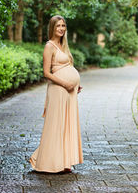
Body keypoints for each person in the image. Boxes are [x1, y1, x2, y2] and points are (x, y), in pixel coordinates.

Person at [29, 15, 83, 173]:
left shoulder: (63, 45)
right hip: (58, 90)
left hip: (69, 91)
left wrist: (75, 84)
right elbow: (46, 73)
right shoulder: (49, 46)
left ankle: (64, 162)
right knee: (56, 126)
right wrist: (66, 83)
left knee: (66, 125)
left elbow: (66, 67)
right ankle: (48, 163)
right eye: (58, 26)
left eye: (63, 26)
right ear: (52, 28)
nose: (61, 28)